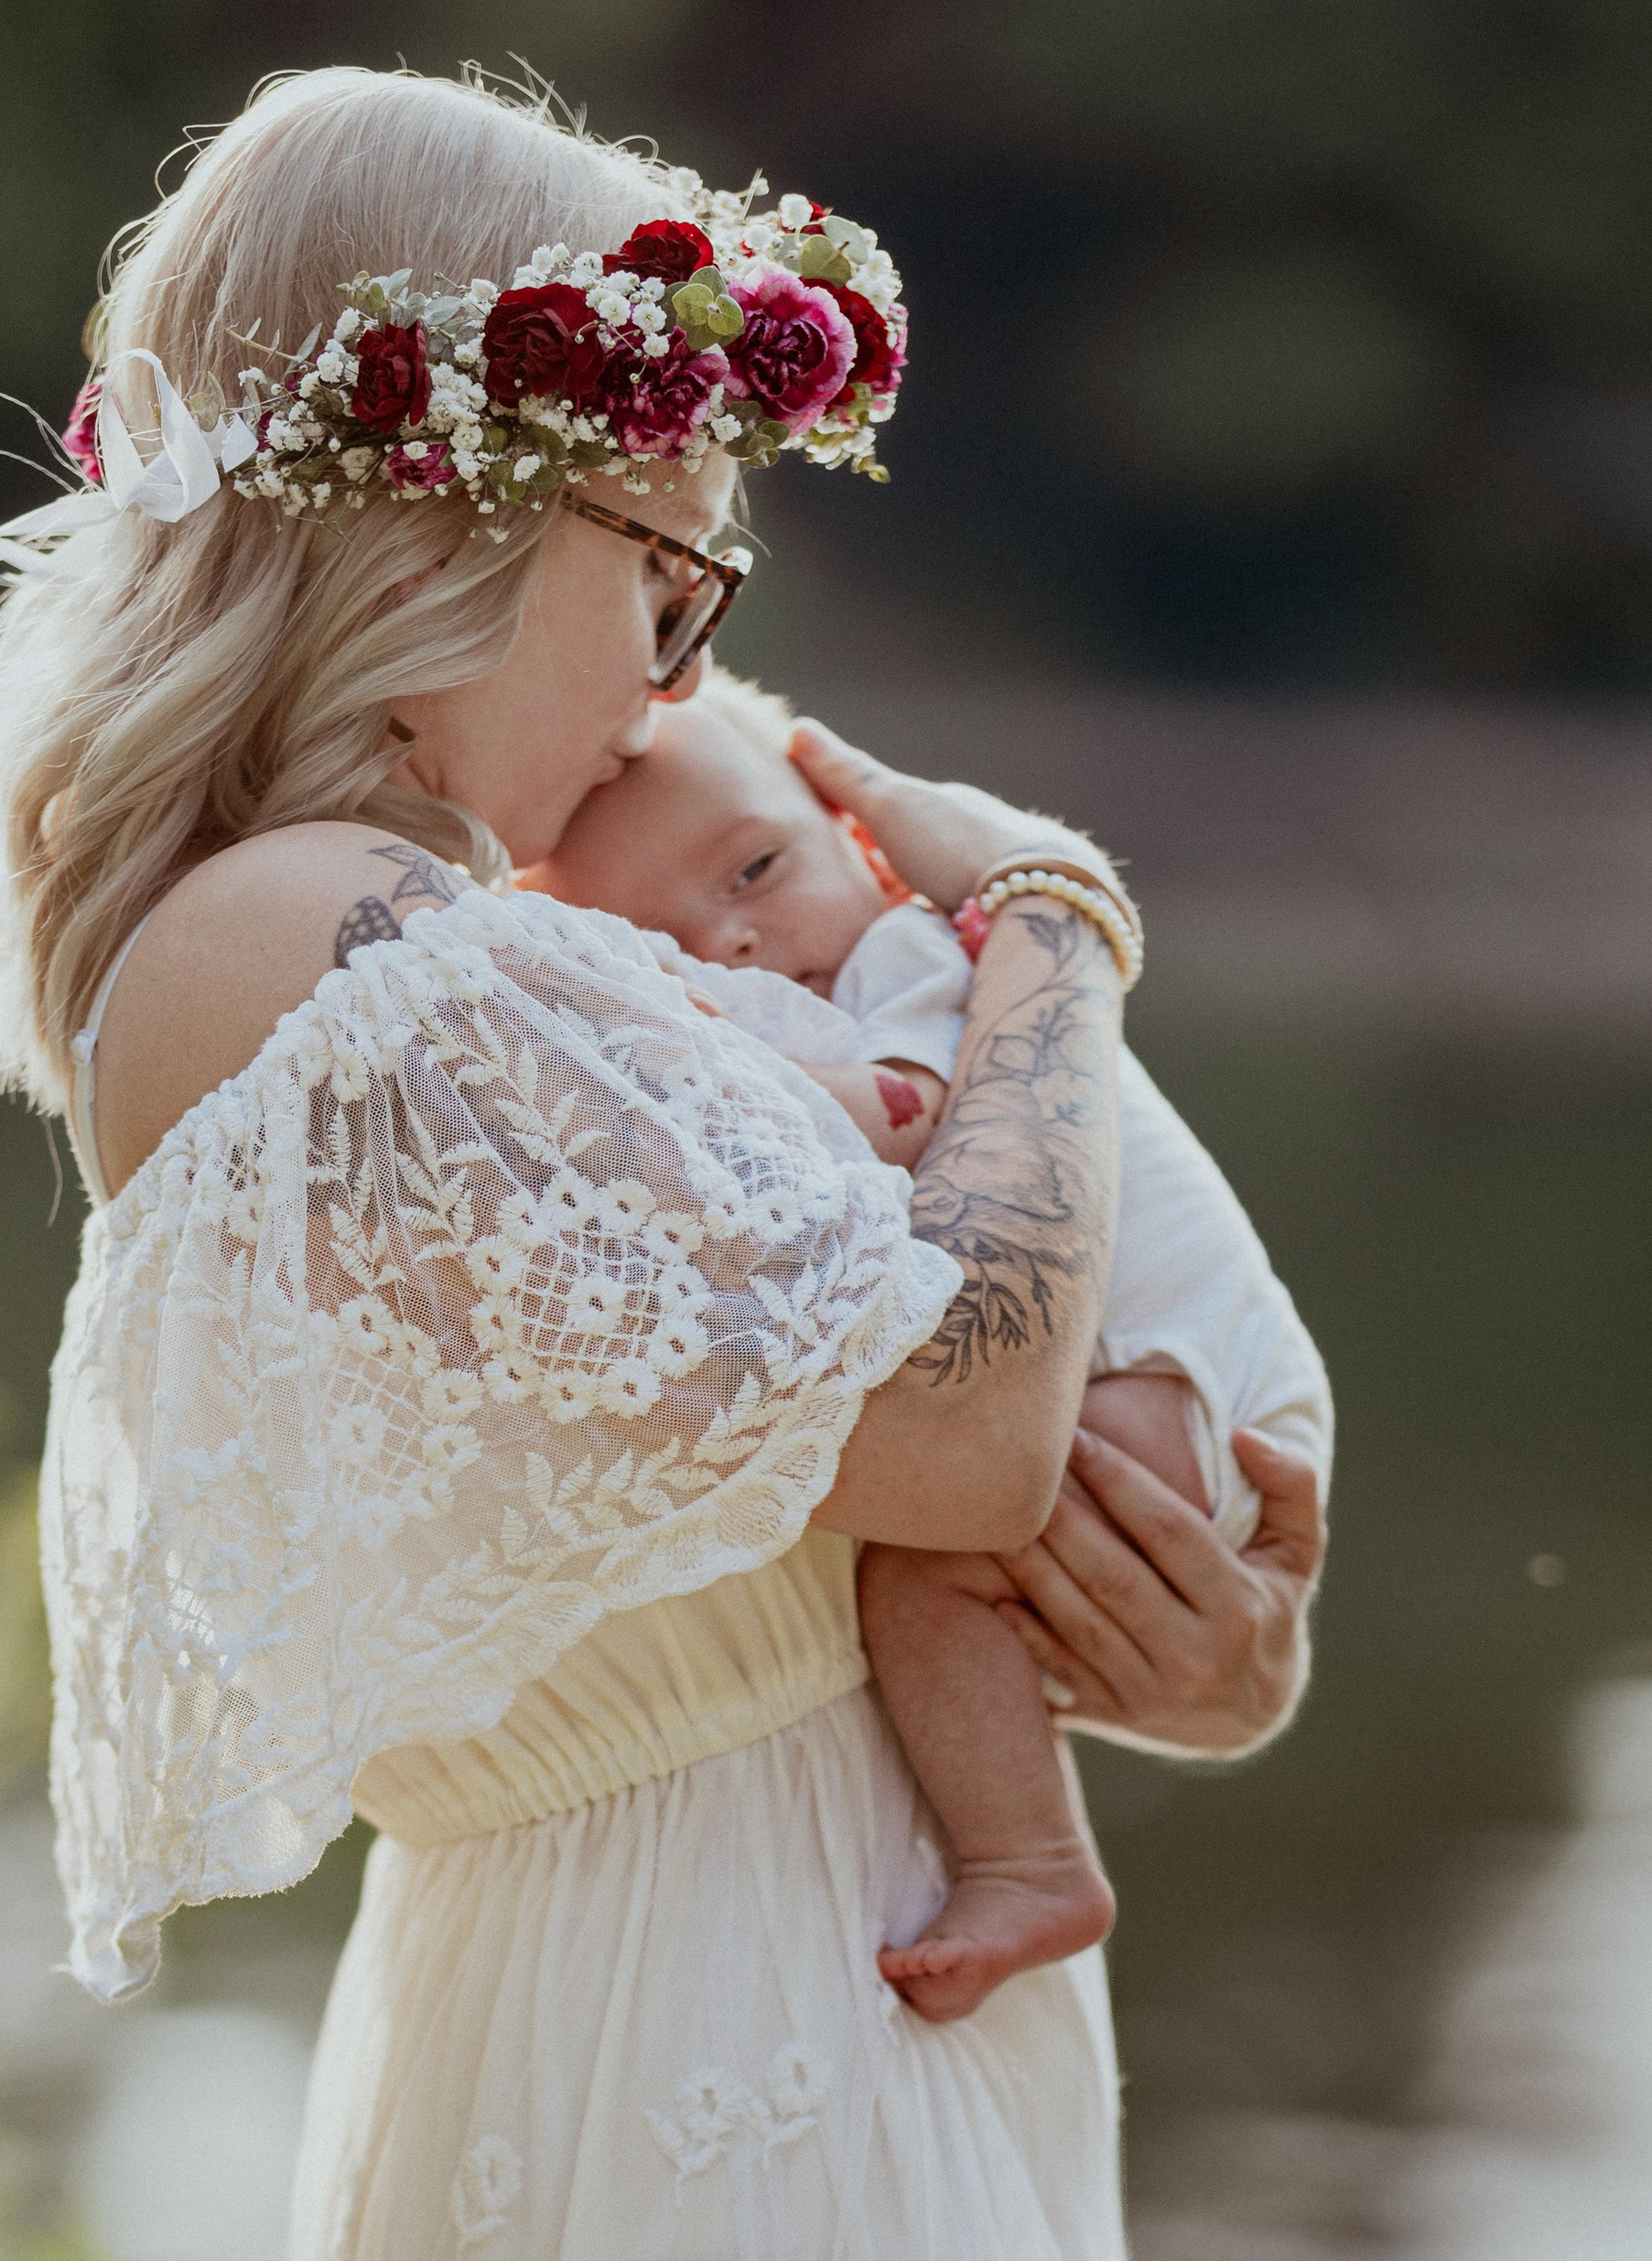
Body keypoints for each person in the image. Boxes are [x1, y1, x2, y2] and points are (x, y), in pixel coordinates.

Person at [0, 66, 1329, 2260]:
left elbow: (849, 1505)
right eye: (668, 576)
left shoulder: (453, 936)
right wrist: (1048, 926)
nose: (688, 671)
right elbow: (956, 1426)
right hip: (700, 2053)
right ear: (445, 520)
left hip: (795, 1997)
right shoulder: (306, 938)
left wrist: (1188, 1649)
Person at [526, 670, 1332, 2018]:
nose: (730, 944)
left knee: (929, 1569)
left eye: (759, 868)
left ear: (860, 836)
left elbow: (908, 1118)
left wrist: (751, 1076)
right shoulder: (878, 970)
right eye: (662, 948)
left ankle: (1033, 1859)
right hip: (1184, 1382)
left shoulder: (909, 969)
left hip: (1173, 1385)